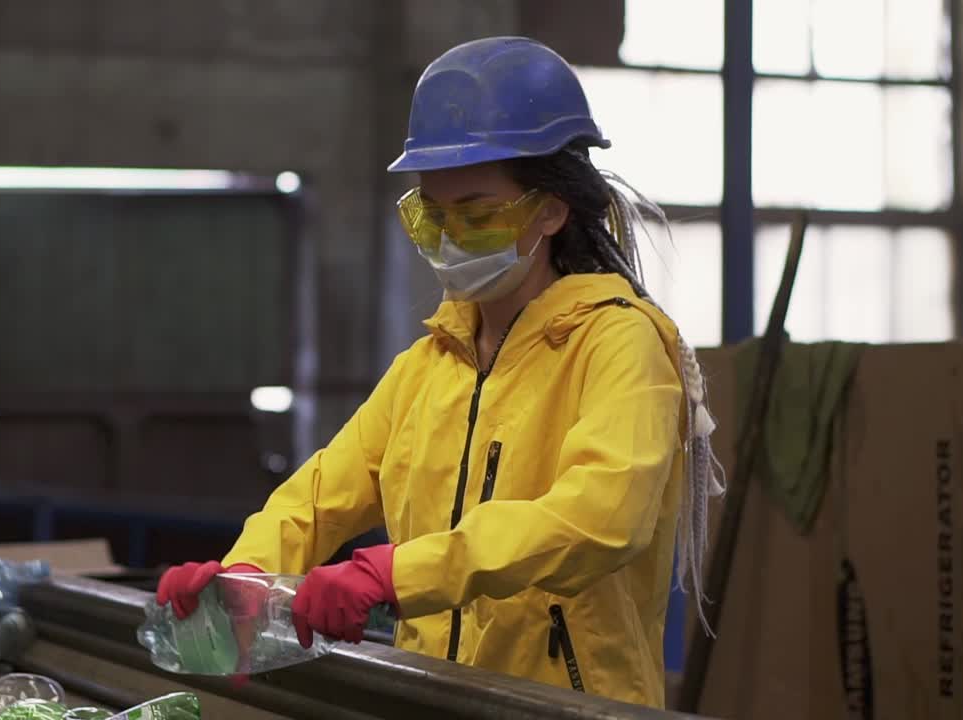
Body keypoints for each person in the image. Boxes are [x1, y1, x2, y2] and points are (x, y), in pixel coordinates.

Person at [156, 36, 724, 708]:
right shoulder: (430, 364)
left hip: (567, 707)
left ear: (551, 208)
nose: (452, 239)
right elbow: (321, 492)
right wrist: (246, 575)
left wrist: (399, 574)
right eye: (434, 213)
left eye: (479, 214)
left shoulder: (618, 345)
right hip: (432, 699)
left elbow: (600, 518)